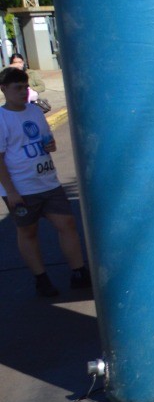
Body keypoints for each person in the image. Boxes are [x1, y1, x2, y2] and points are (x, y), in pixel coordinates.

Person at [0, 66, 90, 296]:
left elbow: (47, 141)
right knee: (28, 232)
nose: (23, 92)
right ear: (4, 90)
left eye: (26, 87)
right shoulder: (2, 118)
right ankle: (41, 278)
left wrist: (50, 145)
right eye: (18, 88)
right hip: (21, 187)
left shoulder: (35, 111)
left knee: (67, 224)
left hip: (48, 182)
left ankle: (78, 272)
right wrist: (11, 191)